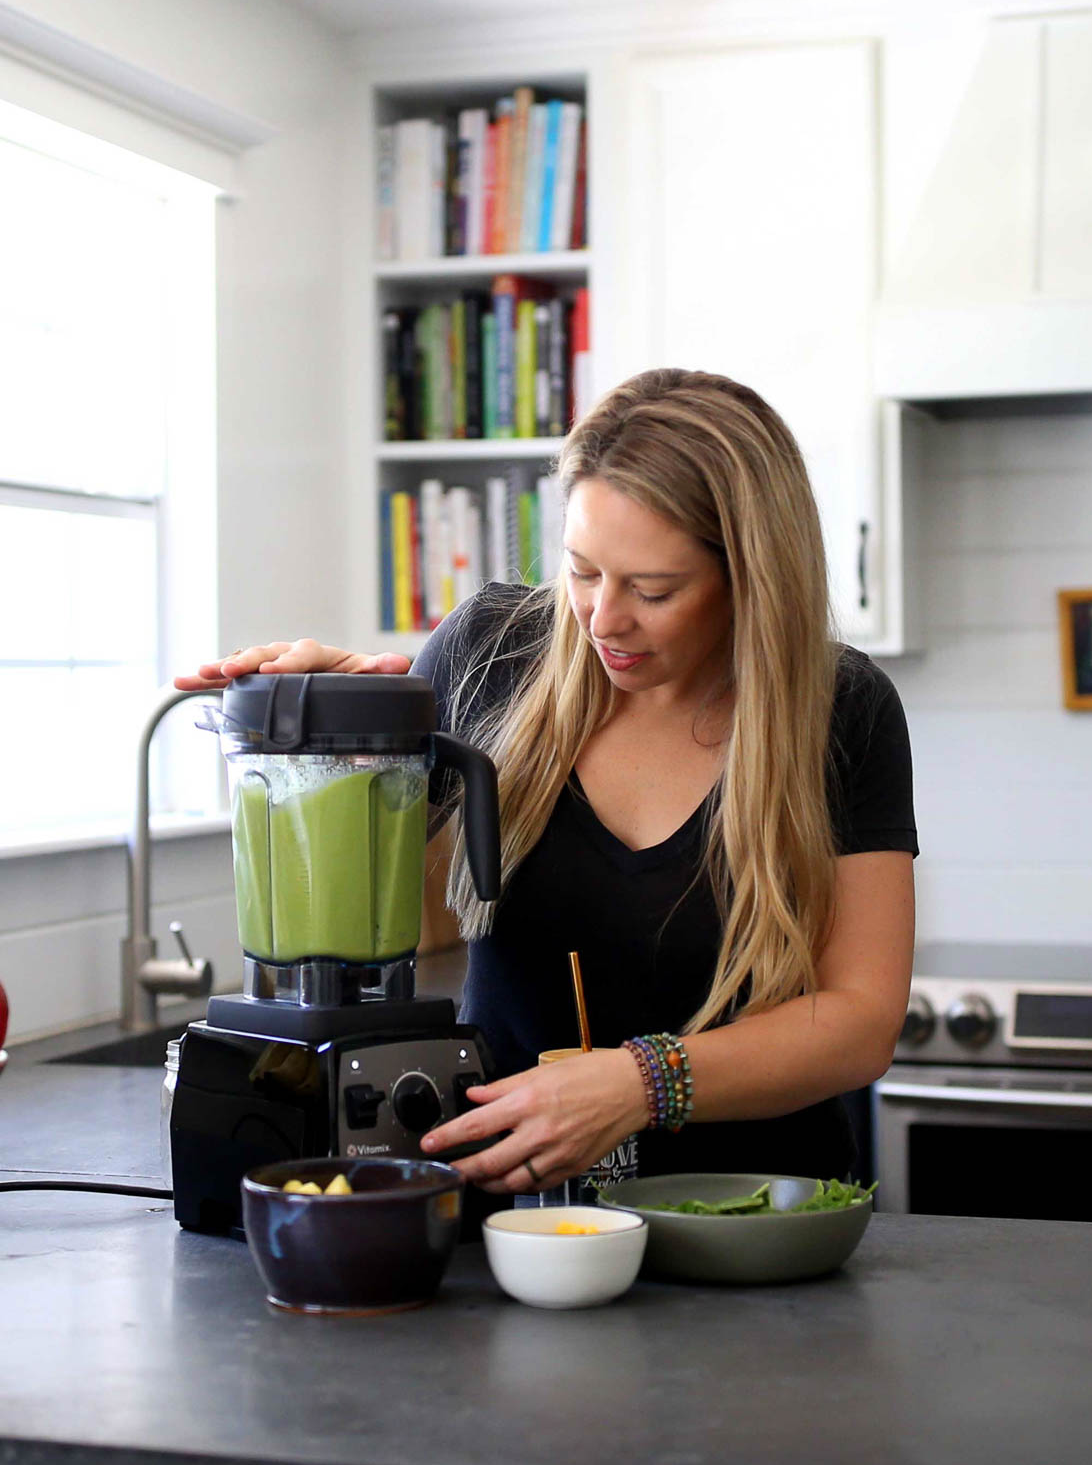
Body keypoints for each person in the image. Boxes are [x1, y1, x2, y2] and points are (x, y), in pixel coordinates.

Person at [179, 367, 917, 1204]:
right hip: (507, 1224)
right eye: (582, 571)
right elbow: (359, 898)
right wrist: (339, 731)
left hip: (751, 1224)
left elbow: (860, 1021)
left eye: (654, 589)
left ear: (752, 577)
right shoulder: (491, 652)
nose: (604, 619)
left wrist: (639, 1084)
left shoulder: (842, 709)